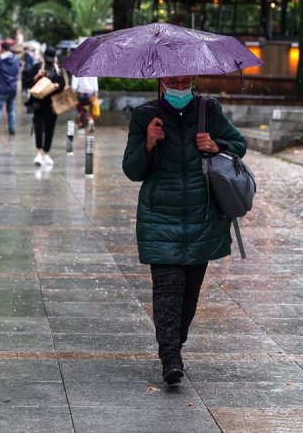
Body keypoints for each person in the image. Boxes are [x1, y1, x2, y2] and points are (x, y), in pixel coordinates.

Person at [121, 75, 247, 387]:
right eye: (173, 80)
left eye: (185, 79)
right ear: (161, 81)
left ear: (193, 79)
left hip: (201, 216)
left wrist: (217, 145)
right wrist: (149, 142)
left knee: (189, 295)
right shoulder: (144, 116)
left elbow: (240, 145)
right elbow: (132, 170)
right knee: (166, 290)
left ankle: (175, 343)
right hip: (159, 216)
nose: (180, 85)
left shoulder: (209, 110)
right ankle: (170, 357)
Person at [22, 46, 66, 166]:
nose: (49, 61)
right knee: (38, 128)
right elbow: (27, 83)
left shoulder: (58, 69)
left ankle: (46, 152)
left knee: (50, 129)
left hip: (52, 105)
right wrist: (37, 76)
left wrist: (56, 85)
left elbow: (63, 84)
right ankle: (39, 152)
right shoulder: (37, 67)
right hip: (39, 104)